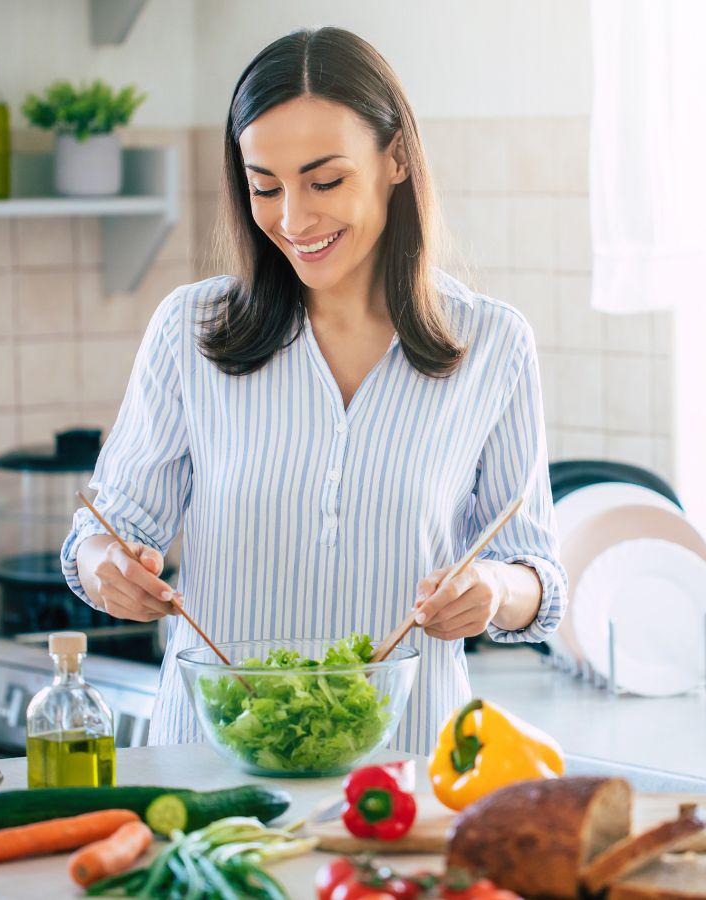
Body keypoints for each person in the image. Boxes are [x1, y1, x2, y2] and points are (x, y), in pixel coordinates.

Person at [60, 26, 567, 754]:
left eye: (325, 182)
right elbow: (106, 532)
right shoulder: (189, 330)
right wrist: (106, 568)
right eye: (265, 187)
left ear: (396, 158)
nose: (294, 220)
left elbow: (537, 574)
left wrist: (495, 590)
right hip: (216, 770)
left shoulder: (493, 344)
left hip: (403, 775)